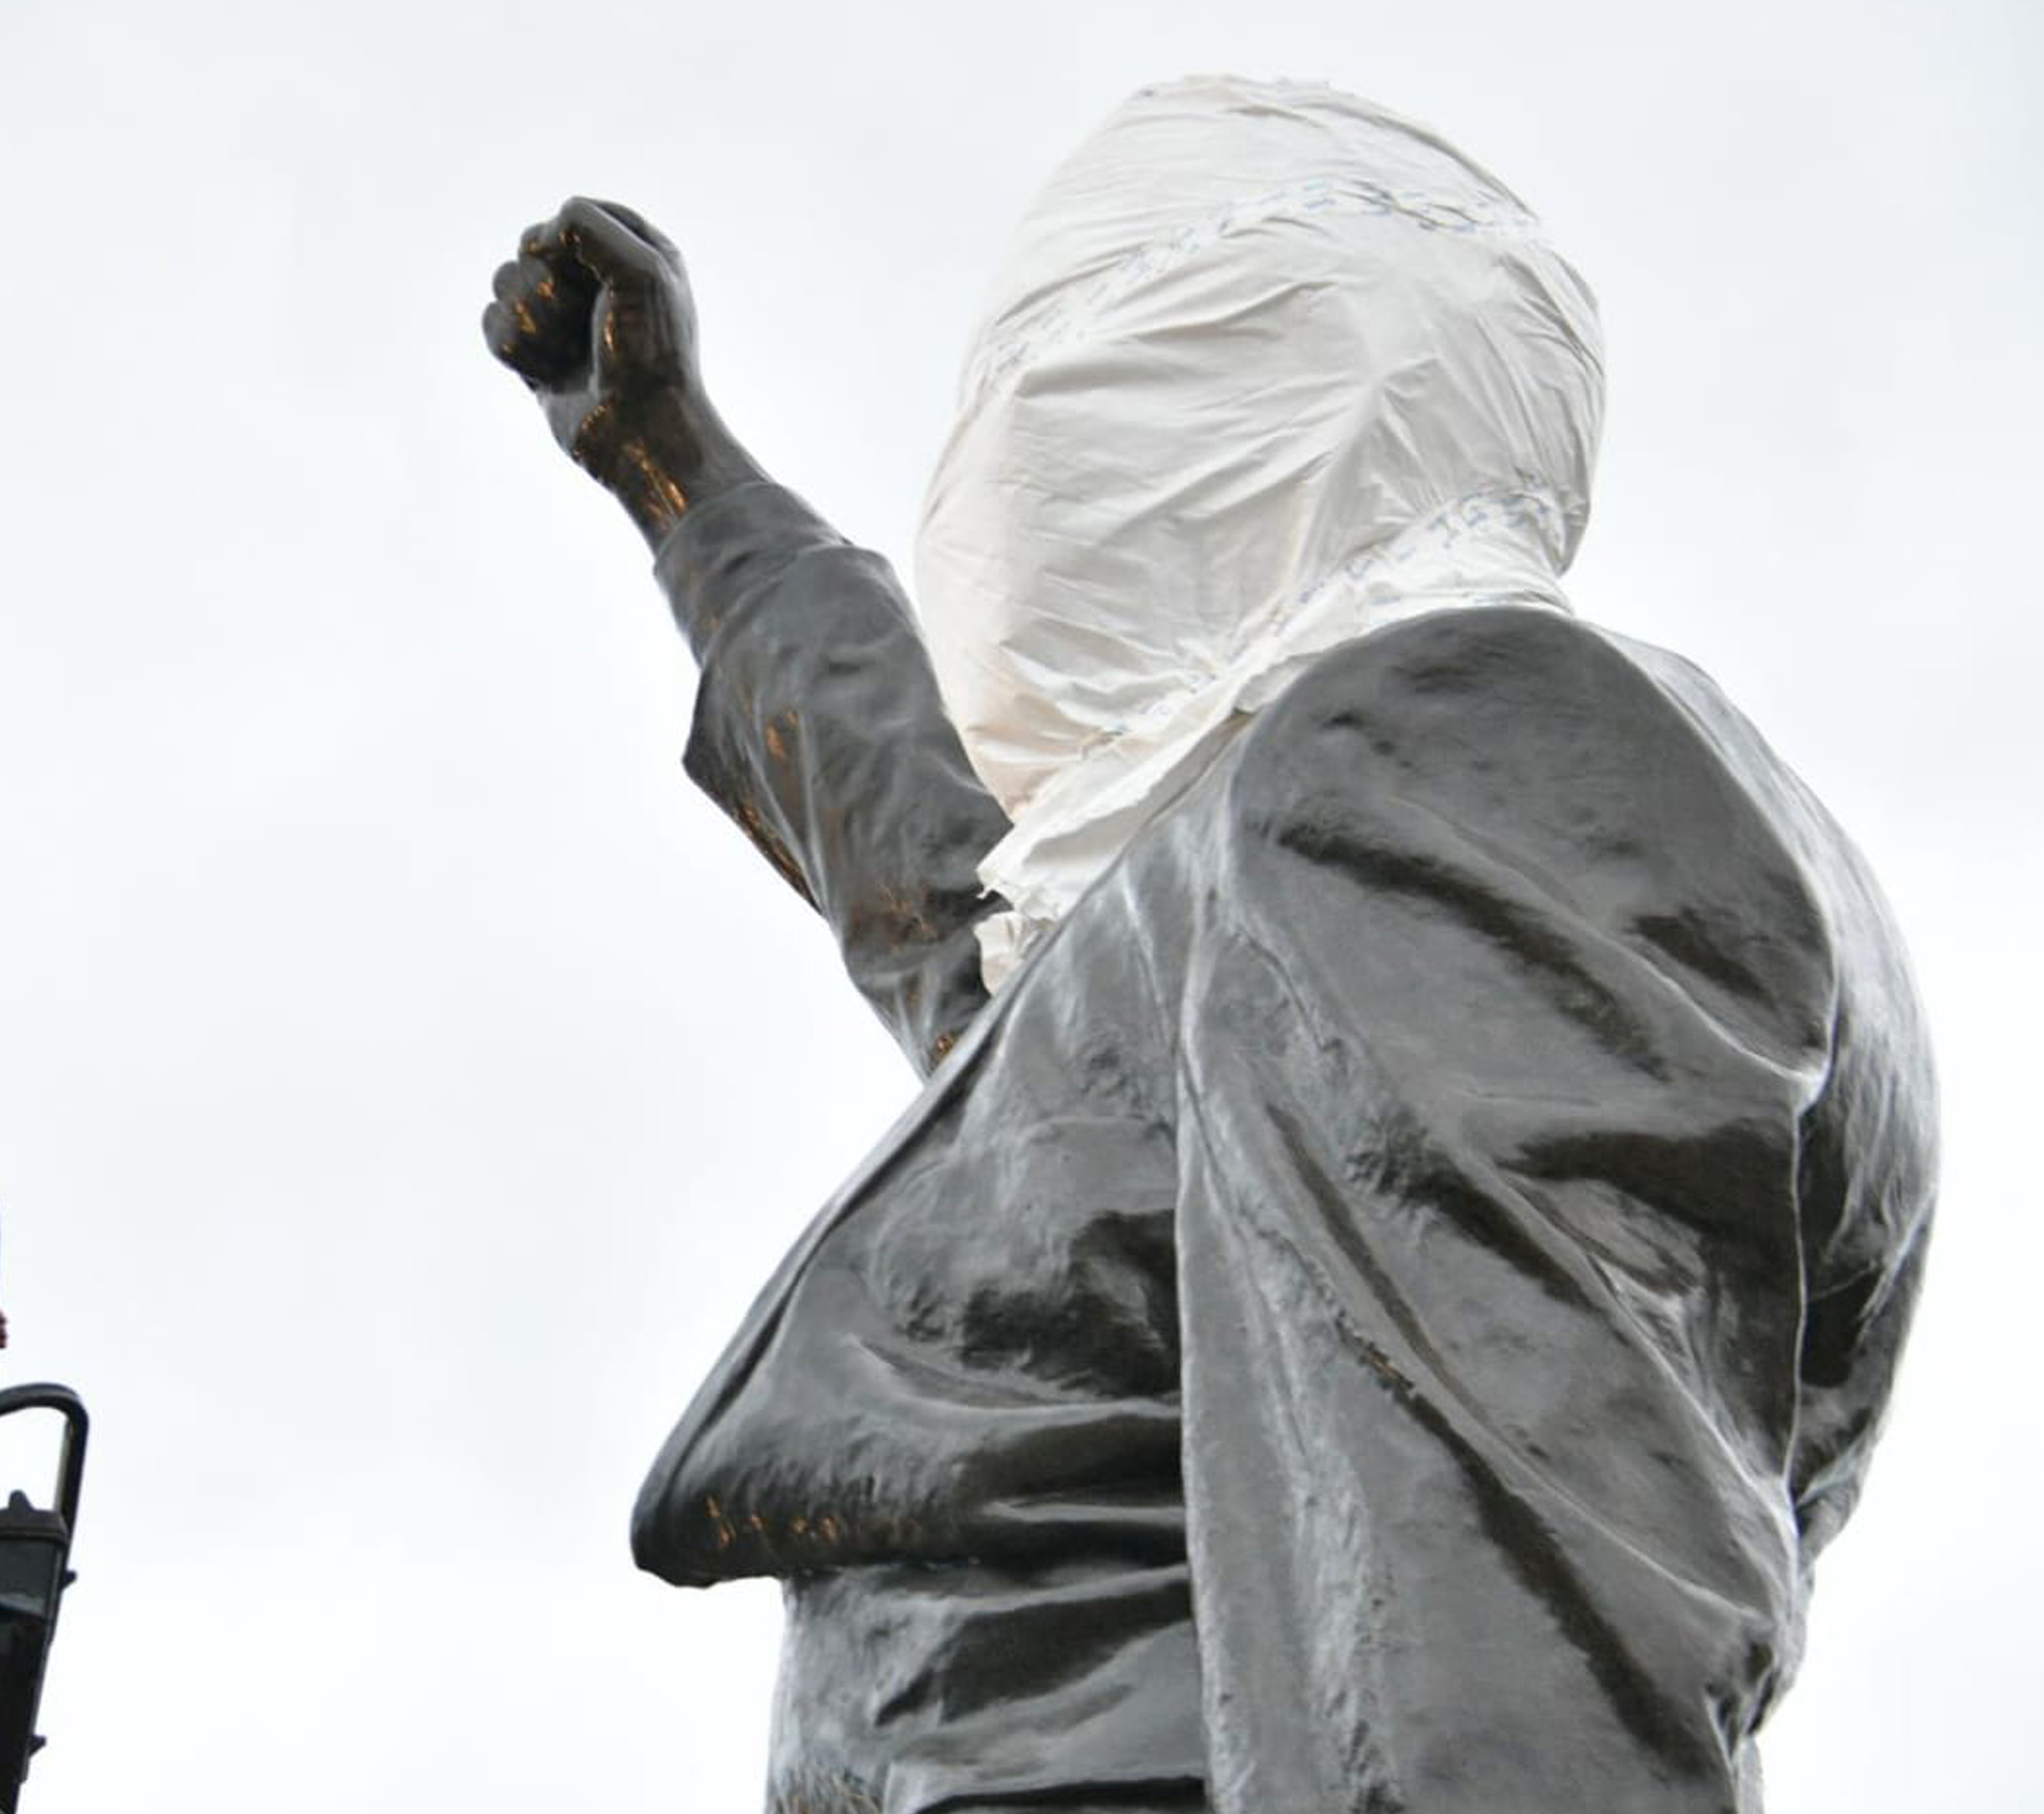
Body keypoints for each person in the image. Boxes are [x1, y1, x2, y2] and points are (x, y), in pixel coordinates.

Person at [483, 78, 1935, 1814]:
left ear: (1258, 374)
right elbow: (988, 943)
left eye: (1056, 371)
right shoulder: (1339, 826)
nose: (1008, 459)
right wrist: (684, 481)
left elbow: (1495, 1687)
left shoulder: (1444, 766)